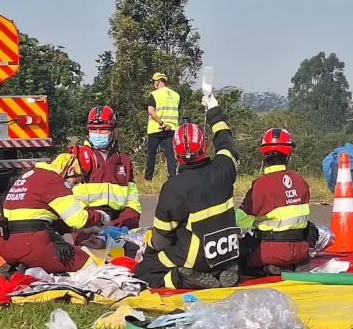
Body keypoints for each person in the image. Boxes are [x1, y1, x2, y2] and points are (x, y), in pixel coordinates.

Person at [133, 92, 241, 289]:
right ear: (204, 146)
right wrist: (214, 111)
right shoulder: (224, 168)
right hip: (227, 252)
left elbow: (162, 237)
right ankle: (225, 269)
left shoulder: (174, 187)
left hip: (196, 257)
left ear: (175, 153)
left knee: (143, 271)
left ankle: (180, 278)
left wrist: (148, 251)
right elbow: (226, 141)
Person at [0, 153, 110, 275]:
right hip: (30, 245)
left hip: (5, 243)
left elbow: (41, 218)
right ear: (70, 169)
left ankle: (27, 270)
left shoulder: (31, 176)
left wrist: (77, 229)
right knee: (87, 264)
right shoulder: (54, 180)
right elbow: (78, 219)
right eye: (77, 181)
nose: (74, 185)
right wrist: (101, 217)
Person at [239, 128, 318, 275]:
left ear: (264, 154)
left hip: (271, 251)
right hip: (301, 250)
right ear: (288, 153)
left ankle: (267, 268)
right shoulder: (300, 181)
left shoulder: (261, 185)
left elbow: (240, 222)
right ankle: (293, 264)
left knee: (237, 253)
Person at [72, 106, 141, 247]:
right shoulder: (76, 159)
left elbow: (132, 200)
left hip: (118, 227)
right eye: (93, 130)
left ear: (113, 132)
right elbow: (70, 200)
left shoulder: (124, 161)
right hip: (88, 228)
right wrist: (95, 221)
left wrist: (127, 223)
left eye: (103, 129)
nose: (97, 133)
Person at [144, 72, 180, 181]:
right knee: (170, 155)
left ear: (158, 81)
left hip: (156, 129)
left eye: (154, 82)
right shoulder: (176, 95)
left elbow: (151, 111)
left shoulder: (154, 94)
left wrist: (161, 123)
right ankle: (172, 178)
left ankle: (148, 178)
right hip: (171, 130)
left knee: (151, 155)